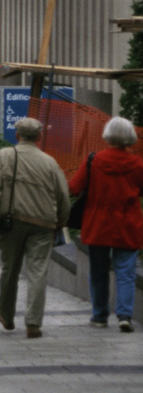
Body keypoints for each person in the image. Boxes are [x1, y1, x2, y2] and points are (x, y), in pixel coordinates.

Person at [0, 117, 70, 339]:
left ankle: (6, 314)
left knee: (9, 269)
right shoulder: (50, 162)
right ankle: (33, 322)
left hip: (12, 222)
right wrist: (59, 222)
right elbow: (64, 197)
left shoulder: (5, 156)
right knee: (38, 271)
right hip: (43, 224)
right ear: (40, 137)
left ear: (17, 135)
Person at [68, 116, 143, 333]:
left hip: (98, 224)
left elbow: (74, 188)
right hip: (128, 225)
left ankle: (100, 315)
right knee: (126, 272)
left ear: (107, 135)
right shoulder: (138, 163)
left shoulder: (94, 160)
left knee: (98, 272)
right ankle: (124, 316)